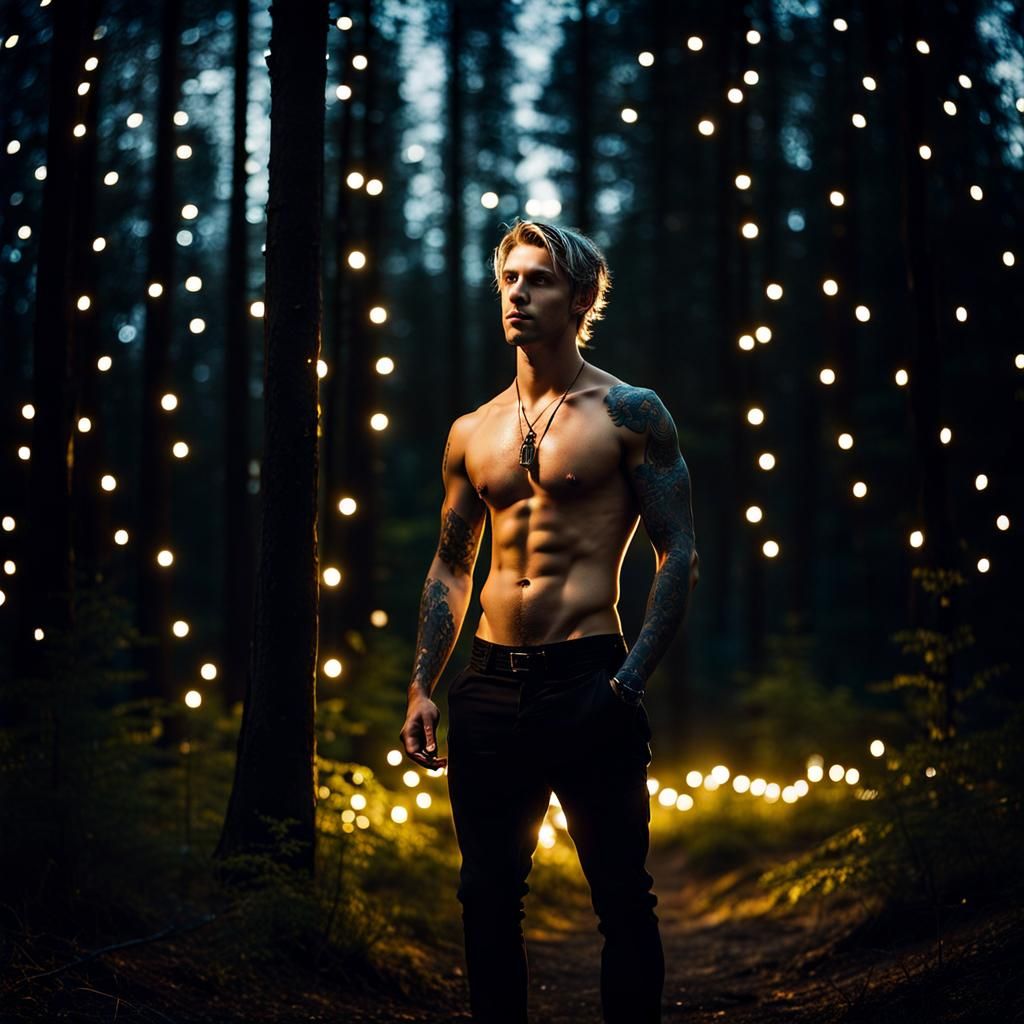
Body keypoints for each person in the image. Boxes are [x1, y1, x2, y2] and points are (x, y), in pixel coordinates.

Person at [399, 219, 699, 1024]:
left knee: (621, 898)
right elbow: (451, 564)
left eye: (538, 280)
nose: (519, 294)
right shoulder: (472, 432)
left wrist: (627, 683)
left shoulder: (630, 412)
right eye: (510, 280)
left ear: (582, 297)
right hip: (490, 687)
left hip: (588, 677)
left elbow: (680, 554)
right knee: (485, 896)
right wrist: (422, 686)